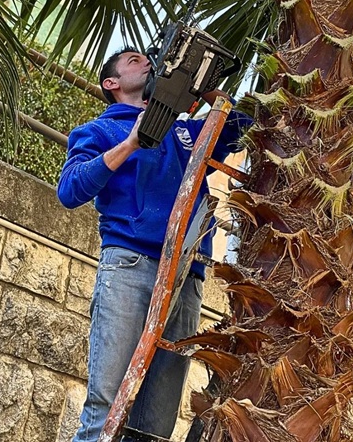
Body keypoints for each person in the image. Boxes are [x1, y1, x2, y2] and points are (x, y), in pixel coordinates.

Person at [58, 46, 251, 442]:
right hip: (130, 266)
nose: (147, 62)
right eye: (134, 61)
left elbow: (243, 125)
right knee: (106, 408)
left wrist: (210, 94)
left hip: (187, 274)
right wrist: (130, 143)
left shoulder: (185, 131)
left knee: (156, 425)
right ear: (112, 84)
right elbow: (70, 189)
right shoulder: (99, 131)